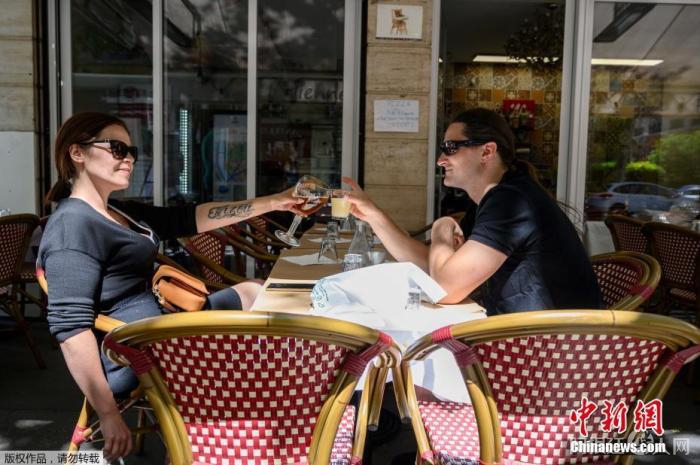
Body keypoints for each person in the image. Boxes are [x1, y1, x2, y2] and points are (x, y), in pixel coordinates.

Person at [37, 112, 303, 461]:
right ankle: (255, 430)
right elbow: (71, 330)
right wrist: (109, 414)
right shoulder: (73, 226)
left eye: (131, 150)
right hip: (143, 353)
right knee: (274, 344)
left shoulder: (116, 211)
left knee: (259, 292)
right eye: (117, 148)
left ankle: (256, 422)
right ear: (77, 153)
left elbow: (189, 218)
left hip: (167, 327)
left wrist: (274, 202)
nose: (129, 158)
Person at [343, 107, 603, 314]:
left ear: (487, 151)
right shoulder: (498, 197)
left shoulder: (511, 202)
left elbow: (444, 288)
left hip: (550, 351)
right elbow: (432, 268)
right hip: (536, 339)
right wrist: (373, 215)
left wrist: (441, 227)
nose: (440, 160)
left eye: (451, 148)